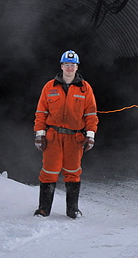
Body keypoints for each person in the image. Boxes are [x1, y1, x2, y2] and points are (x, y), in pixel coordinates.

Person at [33, 50, 98, 218]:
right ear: (61, 66)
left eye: (73, 65)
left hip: (75, 138)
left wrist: (90, 135)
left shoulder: (85, 89)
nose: (70, 68)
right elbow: (41, 112)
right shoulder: (49, 87)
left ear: (77, 67)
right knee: (49, 171)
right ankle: (43, 209)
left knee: (73, 171)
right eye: (67, 65)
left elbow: (91, 114)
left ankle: (72, 210)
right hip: (53, 136)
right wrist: (40, 134)